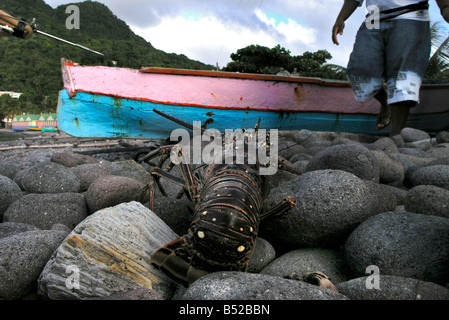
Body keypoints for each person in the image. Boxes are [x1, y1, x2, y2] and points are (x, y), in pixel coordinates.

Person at [332, 0, 449, 136]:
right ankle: (385, 102)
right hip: (374, 17)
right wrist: (341, 18)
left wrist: (445, 7)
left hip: (411, 15)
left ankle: (396, 135)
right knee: (360, 70)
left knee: (403, 77)